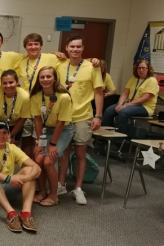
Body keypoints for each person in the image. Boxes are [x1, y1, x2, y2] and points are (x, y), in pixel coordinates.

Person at [57, 34, 103, 205]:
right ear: (66, 48)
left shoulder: (92, 67)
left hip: (83, 116)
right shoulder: (60, 66)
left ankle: (77, 188)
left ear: (83, 48)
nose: (75, 49)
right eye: (72, 47)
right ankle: (61, 184)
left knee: (80, 153)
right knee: (63, 152)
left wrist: (98, 115)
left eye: (78, 47)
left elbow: (98, 93)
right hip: (63, 116)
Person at [0, 121, 41, 232]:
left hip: (9, 187)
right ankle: (11, 213)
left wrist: (26, 178)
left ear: (8, 134)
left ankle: (25, 213)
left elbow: (37, 168)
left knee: (30, 170)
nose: (1, 136)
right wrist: (7, 178)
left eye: (4, 133)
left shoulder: (12, 148)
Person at [30, 66, 73, 206]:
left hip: (63, 130)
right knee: (38, 159)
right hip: (45, 130)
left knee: (48, 161)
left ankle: (54, 195)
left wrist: (52, 145)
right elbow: (37, 120)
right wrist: (39, 143)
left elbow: (61, 122)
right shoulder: (36, 96)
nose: (45, 79)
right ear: (38, 79)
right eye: (42, 77)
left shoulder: (64, 97)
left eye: (49, 76)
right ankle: (42, 192)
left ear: (55, 78)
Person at [103, 60, 159, 129]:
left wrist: (126, 105)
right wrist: (120, 104)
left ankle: (118, 138)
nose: (141, 70)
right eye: (139, 68)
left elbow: (145, 98)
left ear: (148, 69)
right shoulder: (133, 79)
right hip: (130, 104)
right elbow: (125, 93)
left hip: (145, 107)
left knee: (123, 112)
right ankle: (105, 135)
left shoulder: (152, 80)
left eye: (144, 68)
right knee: (109, 110)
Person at [0, 70, 30, 146]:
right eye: (4, 83)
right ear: (1, 83)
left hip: (14, 125)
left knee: (11, 148)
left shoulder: (25, 96)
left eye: (11, 82)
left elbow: (23, 119)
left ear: (17, 82)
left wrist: (10, 136)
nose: (8, 86)